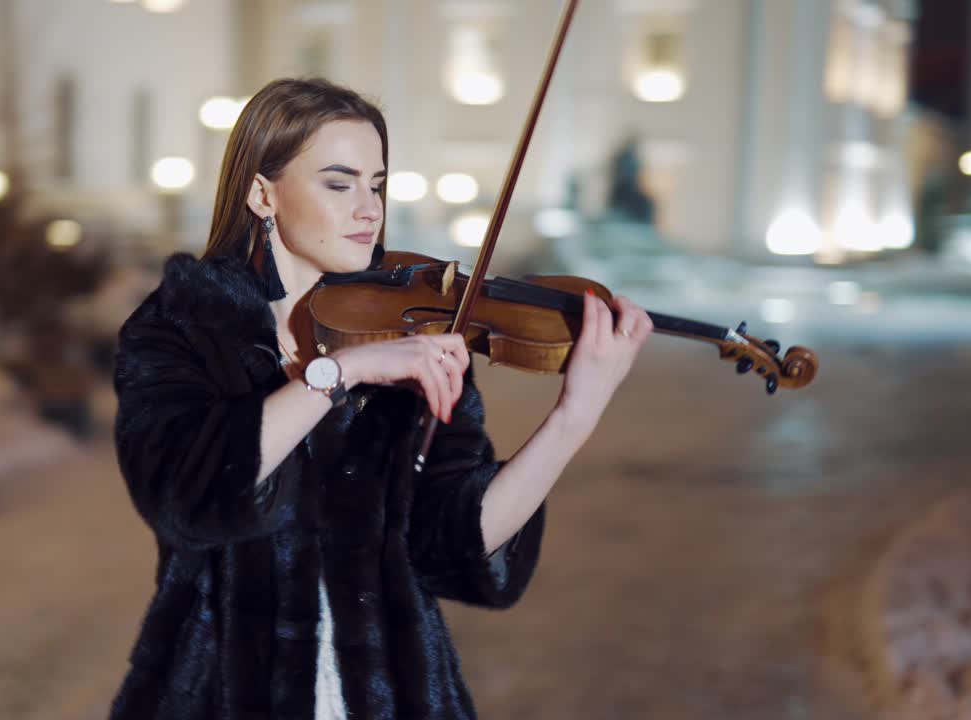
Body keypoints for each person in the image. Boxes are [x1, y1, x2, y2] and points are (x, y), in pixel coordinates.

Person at [108, 77, 653, 720]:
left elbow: (451, 545)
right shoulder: (184, 324)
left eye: (376, 185)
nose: (369, 209)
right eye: (339, 184)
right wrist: (342, 371)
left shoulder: (411, 328)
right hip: (221, 690)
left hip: (392, 694)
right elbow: (185, 496)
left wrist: (574, 416)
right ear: (262, 194)